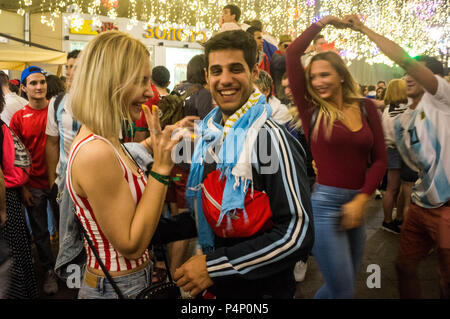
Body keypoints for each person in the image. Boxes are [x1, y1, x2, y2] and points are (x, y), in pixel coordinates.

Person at [173, 29, 314, 299]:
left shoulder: (270, 138)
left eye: (235, 69)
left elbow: (297, 233)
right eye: (216, 71)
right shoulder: (211, 135)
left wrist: (214, 266)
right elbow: (213, 213)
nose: (225, 80)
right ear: (206, 77)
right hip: (222, 288)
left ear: (253, 72)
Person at [66, 30, 195, 299]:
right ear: (111, 82)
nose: (150, 91)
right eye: (141, 81)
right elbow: (132, 245)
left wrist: (154, 143)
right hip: (117, 288)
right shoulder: (96, 152)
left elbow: (122, 164)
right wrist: (161, 169)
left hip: (127, 282)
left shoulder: (105, 138)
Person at [343, 14, 450, 299]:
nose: (407, 75)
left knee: (446, 278)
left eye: (415, 71)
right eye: (405, 73)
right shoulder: (405, 119)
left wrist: (364, 28)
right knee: (403, 266)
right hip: (419, 204)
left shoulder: (443, 99)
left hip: (446, 209)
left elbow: (405, 60)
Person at [286, 16, 387, 299]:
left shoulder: (366, 107)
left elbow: (380, 160)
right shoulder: (311, 112)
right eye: (313, 77)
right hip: (324, 207)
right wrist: (324, 21)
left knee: (342, 287)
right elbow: (294, 53)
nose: (317, 82)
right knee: (343, 290)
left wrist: (362, 199)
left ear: (341, 75)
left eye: (325, 74)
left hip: (358, 203)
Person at [9, 66, 60, 295]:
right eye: (33, 83)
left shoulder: (57, 111)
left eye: (42, 82)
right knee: (40, 233)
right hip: (33, 185)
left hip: (58, 183)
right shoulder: (19, 118)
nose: (39, 87)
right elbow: (16, 157)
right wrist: (24, 188)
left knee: (68, 230)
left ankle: (68, 270)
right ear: (23, 88)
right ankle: (49, 270)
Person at [45, 49, 85, 281]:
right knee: (67, 233)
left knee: (92, 234)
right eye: (68, 66)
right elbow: (52, 142)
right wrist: (53, 178)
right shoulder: (57, 102)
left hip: (92, 181)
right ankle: (72, 283)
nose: (69, 71)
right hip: (65, 182)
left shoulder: (100, 99)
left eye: (75, 67)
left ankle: (89, 280)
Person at [0, 83, 39, 299]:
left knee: (9, 257)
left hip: (5, 200)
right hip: (10, 197)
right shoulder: (3, 126)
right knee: (15, 254)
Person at [381, 79, 409, 234]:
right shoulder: (406, 109)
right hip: (401, 150)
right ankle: (389, 220)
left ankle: (390, 219)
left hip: (390, 149)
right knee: (402, 188)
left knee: (392, 188)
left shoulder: (387, 109)